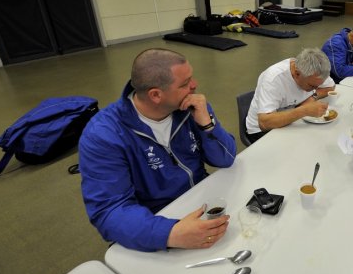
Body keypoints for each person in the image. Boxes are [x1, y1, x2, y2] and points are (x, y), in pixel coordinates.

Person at [79, 48, 237, 252]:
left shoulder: (191, 106)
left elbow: (226, 159)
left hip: (202, 202)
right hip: (157, 220)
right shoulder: (103, 135)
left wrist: (207, 125)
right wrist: (170, 233)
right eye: (185, 83)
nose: (194, 85)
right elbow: (109, 211)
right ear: (155, 95)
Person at [245, 48, 336, 143]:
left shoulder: (315, 70)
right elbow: (264, 123)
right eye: (311, 86)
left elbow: (330, 86)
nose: (315, 88)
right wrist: (304, 110)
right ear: (297, 73)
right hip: (262, 131)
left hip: (290, 121)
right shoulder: (274, 79)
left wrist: (313, 96)